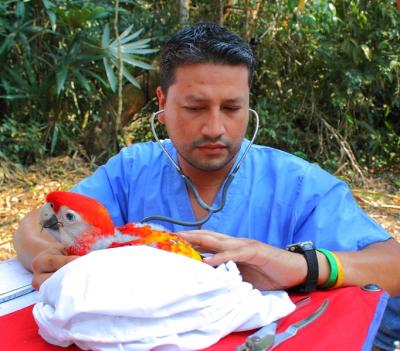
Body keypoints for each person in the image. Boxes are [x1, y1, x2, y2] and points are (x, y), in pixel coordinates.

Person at [13, 23, 400, 349]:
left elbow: (393, 266)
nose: (215, 128)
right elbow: (33, 228)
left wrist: (301, 265)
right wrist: (53, 261)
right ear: (162, 103)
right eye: (195, 108)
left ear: (250, 104)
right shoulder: (131, 171)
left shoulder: (297, 184)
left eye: (232, 109)